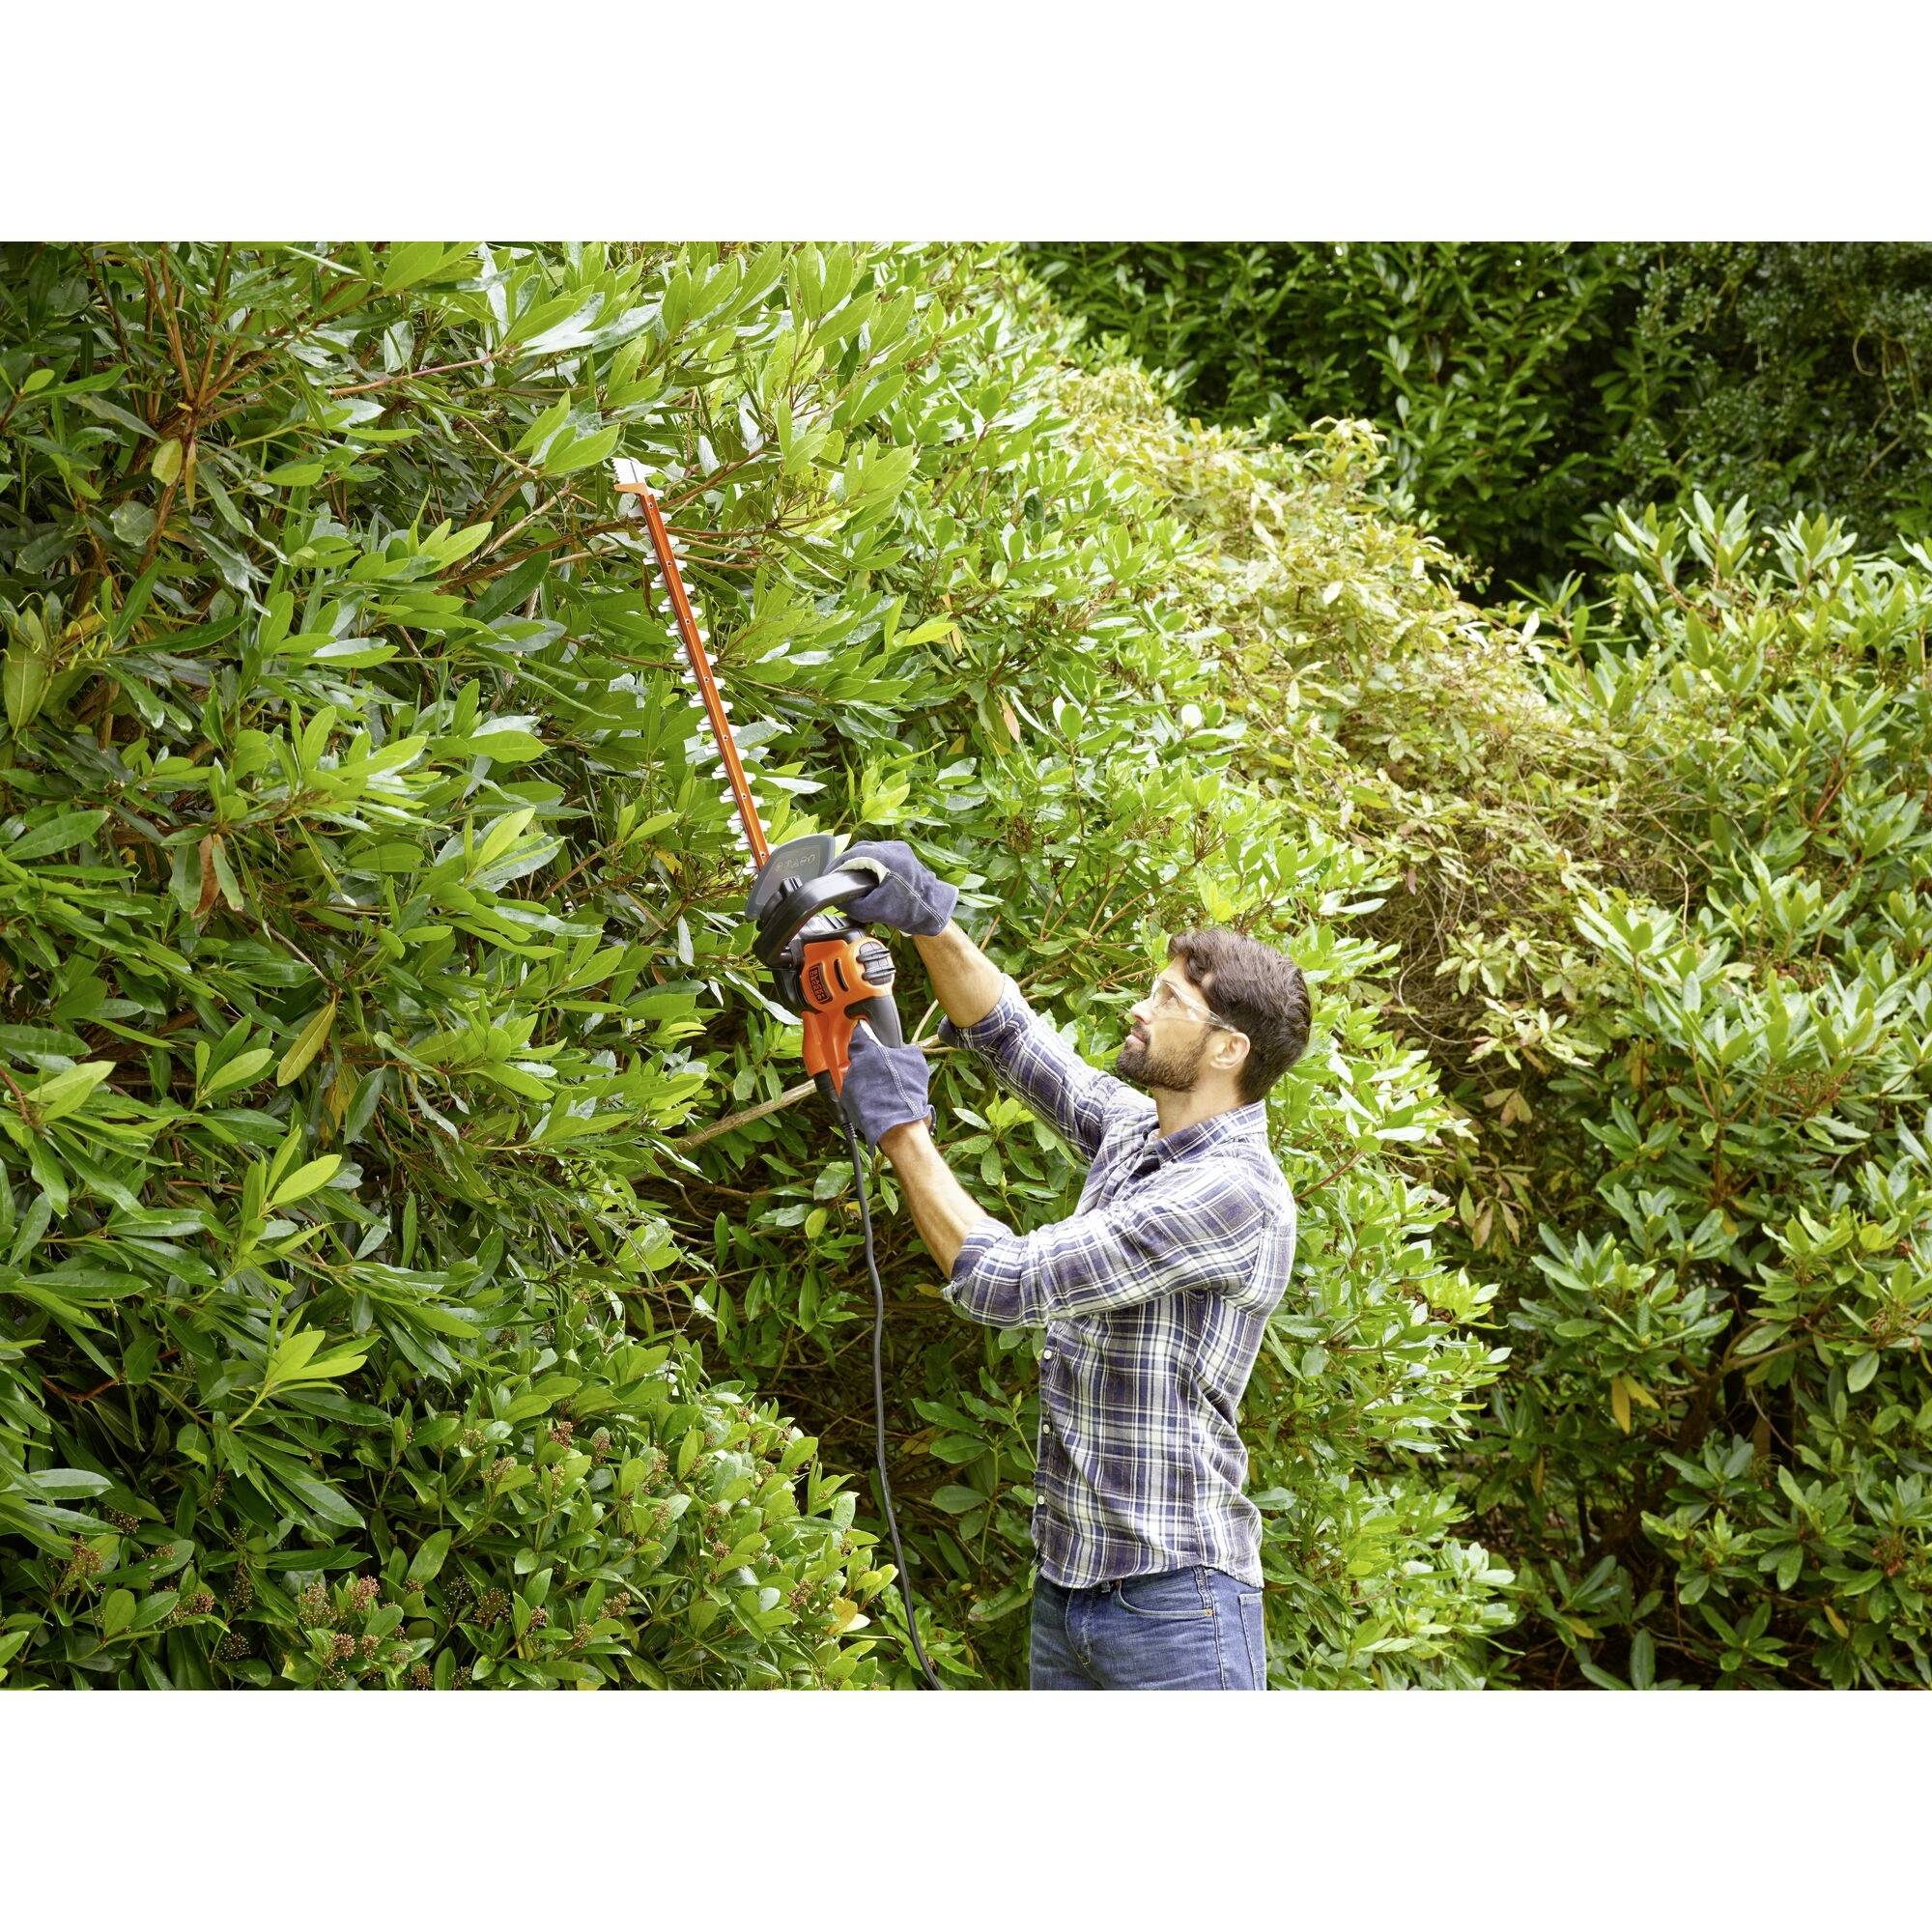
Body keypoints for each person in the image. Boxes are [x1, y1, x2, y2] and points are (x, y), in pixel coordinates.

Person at [832, 840, 1311, 1690]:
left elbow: (1003, 1281)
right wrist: (930, 922)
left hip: (1177, 1610)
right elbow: (1009, 1035)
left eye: (1168, 1000)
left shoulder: (1232, 1194)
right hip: (1068, 1591)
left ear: (1227, 1050)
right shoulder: (1140, 1132)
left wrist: (902, 1131)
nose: (1140, 1008)